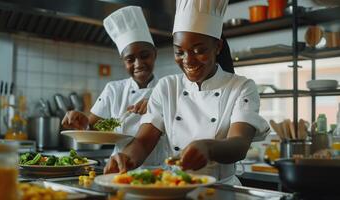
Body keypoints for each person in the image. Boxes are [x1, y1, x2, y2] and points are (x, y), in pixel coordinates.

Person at [103, 0, 270, 185]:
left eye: (199, 50)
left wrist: (208, 148)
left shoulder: (241, 87)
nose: (188, 60)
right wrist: (126, 157)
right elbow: (143, 142)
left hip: (222, 189)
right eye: (179, 52)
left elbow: (239, 143)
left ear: (218, 47)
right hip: (174, 187)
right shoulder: (167, 87)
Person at [61, 6, 167, 166]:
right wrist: (82, 122)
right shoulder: (114, 89)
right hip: (118, 164)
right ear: (123, 61)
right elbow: (93, 127)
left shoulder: (166, 88)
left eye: (145, 56)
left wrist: (157, 106)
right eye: (130, 59)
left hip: (159, 168)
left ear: (155, 54)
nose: (138, 64)